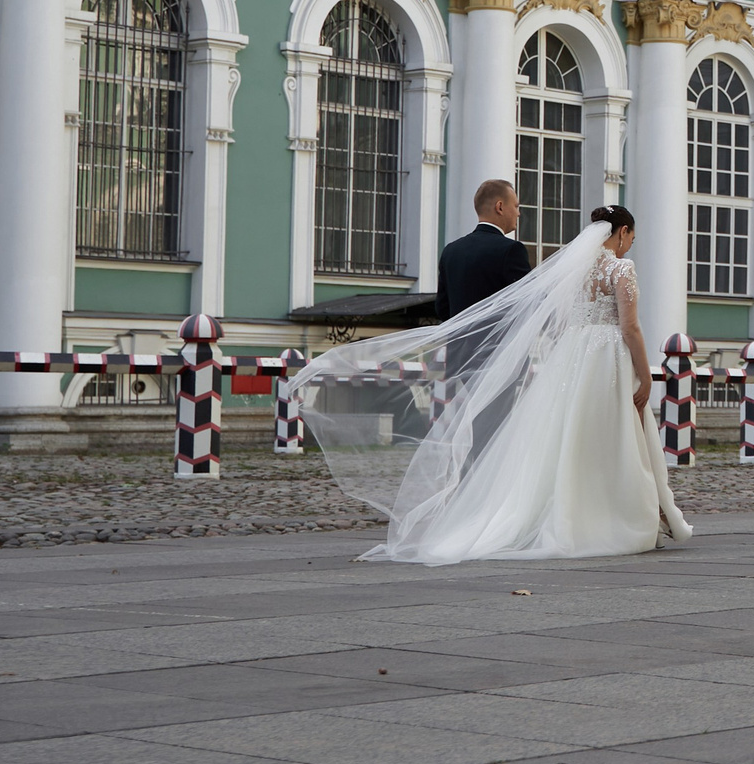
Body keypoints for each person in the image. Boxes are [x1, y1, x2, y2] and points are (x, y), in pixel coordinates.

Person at [297, 205, 693, 564]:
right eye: (631, 238)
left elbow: (557, 323)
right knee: (613, 435)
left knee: (565, 437)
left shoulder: (574, 271)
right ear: (622, 232)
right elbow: (630, 326)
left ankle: (561, 513)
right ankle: (619, 514)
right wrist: (645, 373)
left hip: (573, 357)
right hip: (606, 357)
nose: (629, 245)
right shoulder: (621, 269)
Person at [437, 178, 529, 321]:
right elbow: (529, 301)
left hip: (459, 336)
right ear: (500, 207)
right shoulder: (511, 250)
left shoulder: (451, 251)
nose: (518, 213)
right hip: (497, 336)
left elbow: (442, 309)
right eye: (516, 206)